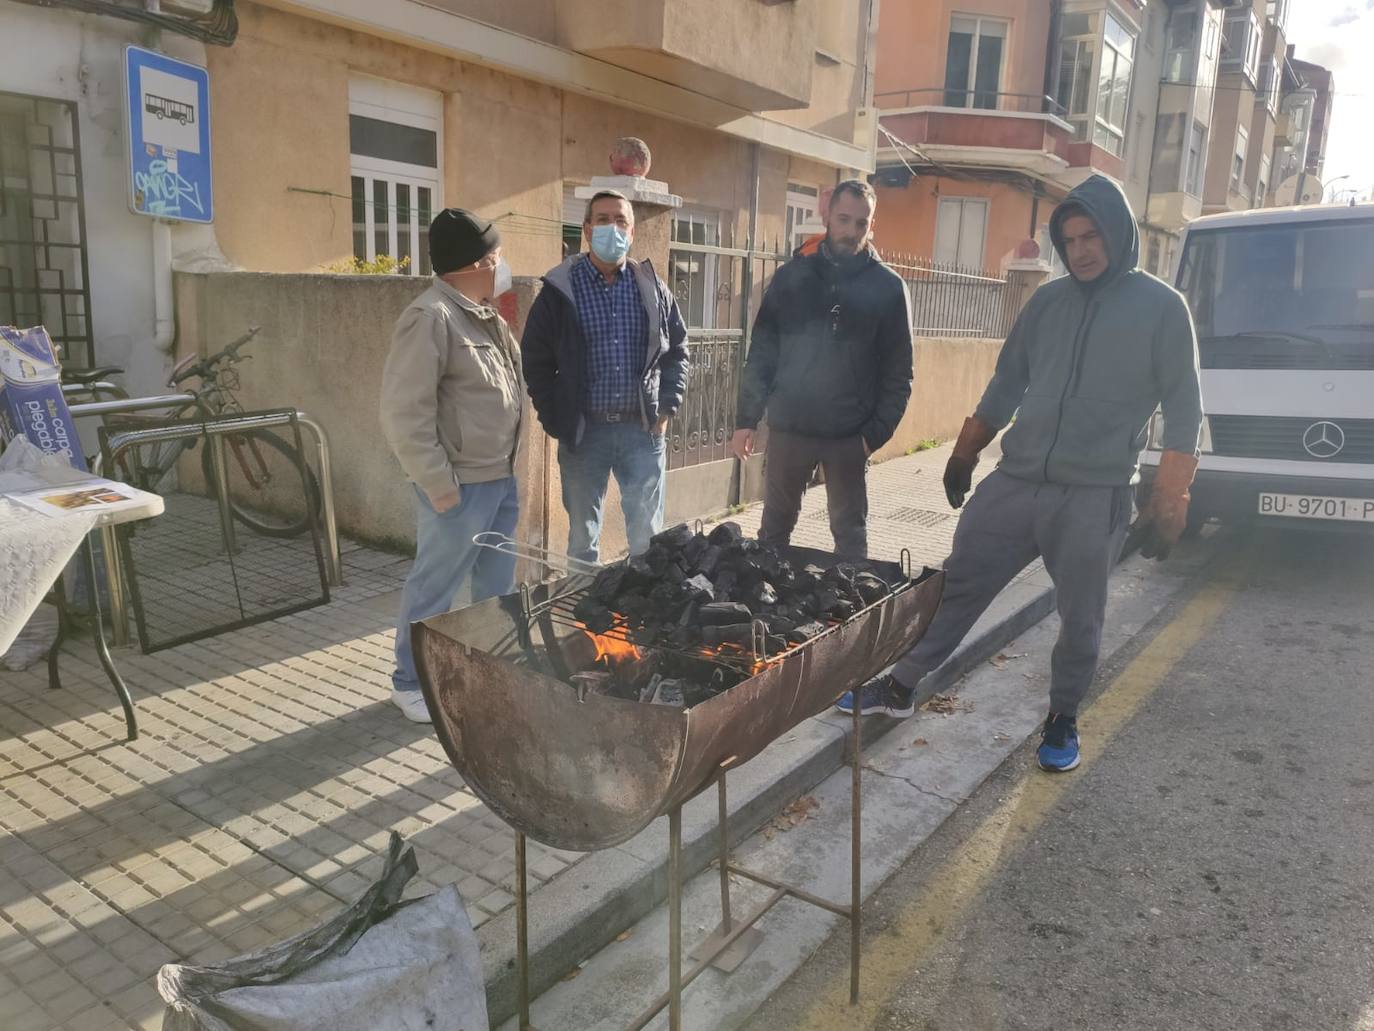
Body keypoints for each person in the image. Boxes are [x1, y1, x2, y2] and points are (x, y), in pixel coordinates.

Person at [837, 175, 1204, 773]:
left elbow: (1185, 406)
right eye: (1070, 238)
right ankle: (900, 685)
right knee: (955, 585)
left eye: (1093, 237)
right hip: (1018, 481)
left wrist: (1171, 494)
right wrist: (965, 451)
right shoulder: (1048, 302)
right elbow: (1008, 380)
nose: (1081, 249)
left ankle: (1062, 719)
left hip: (1094, 492)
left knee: (1081, 615)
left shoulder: (1162, 308)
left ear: (1117, 235)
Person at [380, 209, 526, 723]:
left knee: (495, 585)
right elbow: (404, 412)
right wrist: (438, 485)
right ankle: (409, 680)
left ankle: (487, 664)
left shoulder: (481, 314)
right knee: (435, 586)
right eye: (497, 258)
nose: (502, 266)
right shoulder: (430, 318)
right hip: (461, 486)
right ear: (477, 263)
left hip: (499, 478)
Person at [731, 179, 913, 559]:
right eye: (844, 219)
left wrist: (872, 436)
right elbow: (763, 350)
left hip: (848, 437)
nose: (851, 231)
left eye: (861, 223)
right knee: (773, 533)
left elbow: (899, 373)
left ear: (871, 226)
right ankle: (767, 607)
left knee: (850, 539)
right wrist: (746, 418)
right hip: (789, 431)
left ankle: (850, 613)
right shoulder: (792, 278)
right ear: (828, 216)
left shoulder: (888, 288)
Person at [521, 189, 689, 564]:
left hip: (643, 432)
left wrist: (666, 408)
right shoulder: (560, 290)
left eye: (621, 221)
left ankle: (644, 613)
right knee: (582, 540)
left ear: (631, 233)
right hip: (585, 434)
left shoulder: (652, 287)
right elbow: (535, 359)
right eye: (602, 220)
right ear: (586, 229)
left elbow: (678, 349)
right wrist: (555, 417)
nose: (612, 228)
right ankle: (582, 612)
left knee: (648, 540)